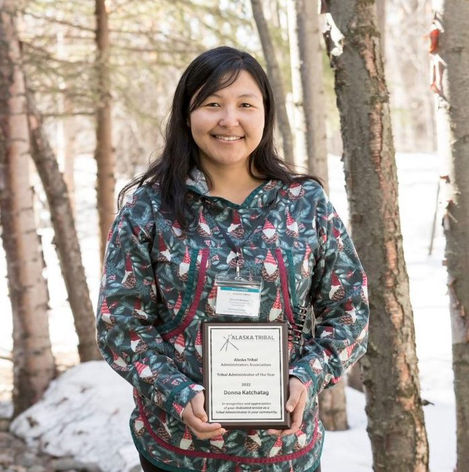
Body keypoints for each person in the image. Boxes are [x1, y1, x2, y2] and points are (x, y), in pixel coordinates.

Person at [96, 46, 369, 472]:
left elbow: (349, 310)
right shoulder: (148, 208)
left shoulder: (304, 202)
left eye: (245, 105)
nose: (229, 119)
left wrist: (307, 376)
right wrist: (178, 393)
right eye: (212, 104)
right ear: (187, 114)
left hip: (285, 454)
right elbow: (121, 324)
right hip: (179, 452)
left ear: (266, 114)